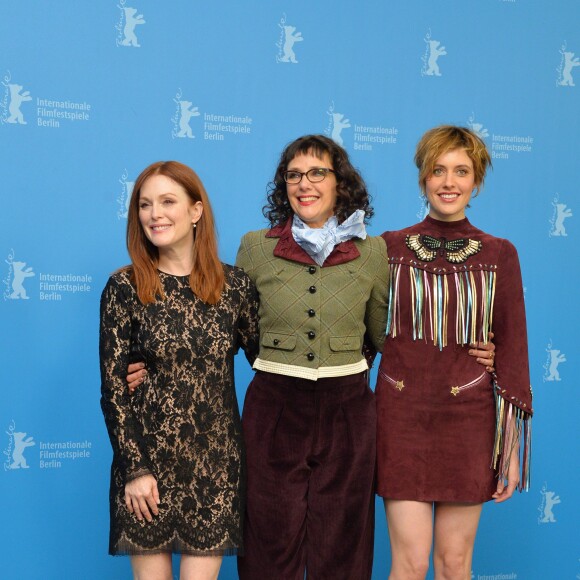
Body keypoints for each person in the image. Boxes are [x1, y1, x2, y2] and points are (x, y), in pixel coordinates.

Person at [125, 137, 495, 579]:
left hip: (348, 409)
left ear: (340, 182)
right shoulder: (255, 248)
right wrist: (157, 364)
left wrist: (474, 357)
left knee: (341, 546)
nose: (305, 183)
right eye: (295, 175)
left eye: (317, 173)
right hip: (274, 407)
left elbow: (385, 337)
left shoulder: (373, 251)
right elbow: (228, 330)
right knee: (268, 544)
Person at [375, 126, 533, 580]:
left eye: (461, 171)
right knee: (407, 563)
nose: (449, 181)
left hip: (468, 419)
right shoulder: (387, 248)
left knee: (454, 564)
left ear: (476, 181)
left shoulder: (499, 254)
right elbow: (362, 331)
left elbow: (513, 345)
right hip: (400, 415)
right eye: (438, 170)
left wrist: (509, 447)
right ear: (423, 178)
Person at [99, 161, 259, 580]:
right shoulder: (124, 288)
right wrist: (134, 470)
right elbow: (114, 392)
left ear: (196, 210)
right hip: (146, 466)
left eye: (168, 201)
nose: (155, 214)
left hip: (215, 466)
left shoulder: (236, 286)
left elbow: (270, 361)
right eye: (145, 204)